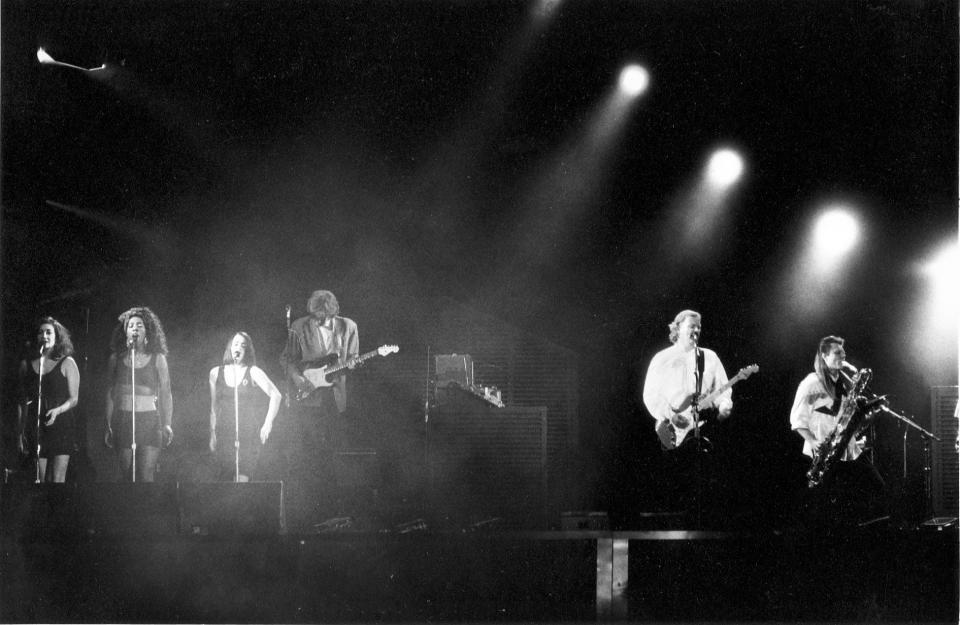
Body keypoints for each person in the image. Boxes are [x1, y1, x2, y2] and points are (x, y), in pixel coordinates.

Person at [641, 309, 734, 522]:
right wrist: (669, 415)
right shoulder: (662, 358)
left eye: (699, 326)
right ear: (678, 327)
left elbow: (722, 388)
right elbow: (650, 394)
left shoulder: (709, 357)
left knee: (704, 487)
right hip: (672, 430)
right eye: (692, 325)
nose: (696, 330)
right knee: (673, 490)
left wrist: (725, 405)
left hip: (702, 427)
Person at [790, 335, 885, 522]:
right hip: (824, 454)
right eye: (837, 352)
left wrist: (868, 416)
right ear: (824, 356)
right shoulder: (811, 383)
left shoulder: (846, 383)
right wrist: (813, 441)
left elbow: (848, 420)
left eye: (844, 351)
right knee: (829, 508)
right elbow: (796, 419)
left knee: (876, 487)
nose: (843, 355)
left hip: (847, 449)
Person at [280, 290, 359, 480]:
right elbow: (287, 359)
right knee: (310, 450)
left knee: (335, 448)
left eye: (324, 317)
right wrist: (298, 379)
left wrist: (354, 363)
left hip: (335, 394)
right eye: (316, 316)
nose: (319, 320)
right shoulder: (299, 327)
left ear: (333, 312)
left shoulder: (348, 326)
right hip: (309, 395)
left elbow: (354, 357)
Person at [103, 307, 173, 482]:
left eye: (139, 325)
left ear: (147, 330)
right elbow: (110, 393)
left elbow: (166, 393)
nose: (135, 329)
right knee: (127, 475)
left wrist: (167, 423)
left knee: (146, 474)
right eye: (131, 325)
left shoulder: (158, 358)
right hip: (123, 419)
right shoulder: (116, 359)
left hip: (149, 421)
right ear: (125, 331)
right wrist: (108, 423)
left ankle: (148, 509)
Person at [209, 332, 282, 482]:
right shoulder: (216, 373)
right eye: (236, 344)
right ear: (230, 347)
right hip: (225, 433)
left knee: (242, 481)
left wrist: (267, 424)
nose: (239, 348)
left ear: (248, 350)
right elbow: (213, 407)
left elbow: (276, 395)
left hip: (248, 434)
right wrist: (212, 432)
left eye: (243, 345)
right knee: (224, 484)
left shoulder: (253, 372)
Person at [17, 317, 80, 482]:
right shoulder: (27, 365)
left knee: (57, 479)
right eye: (41, 332)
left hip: (60, 424)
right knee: (41, 479)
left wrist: (58, 410)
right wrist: (21, 431)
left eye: (48, 332)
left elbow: (74, 399)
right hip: (37, 426)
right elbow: (23, 401)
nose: (44, 335)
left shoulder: (67, 363)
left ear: (56, 336)